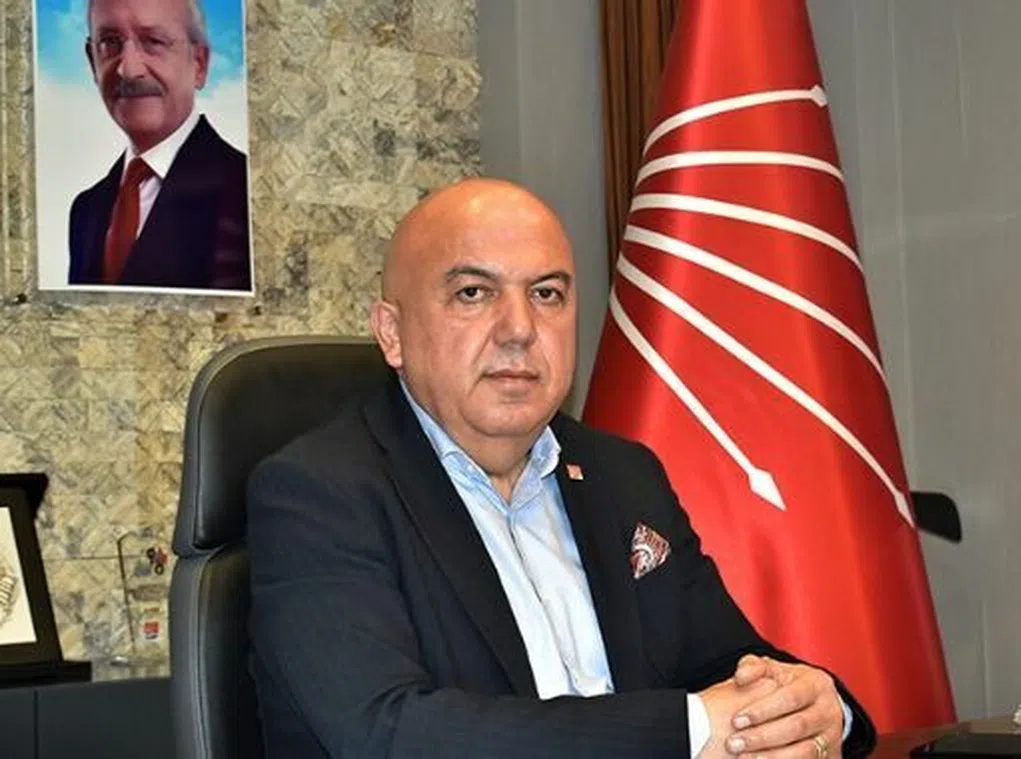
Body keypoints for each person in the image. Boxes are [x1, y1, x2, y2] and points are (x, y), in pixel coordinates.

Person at [246, 178, 876, 758]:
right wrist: (688, 731)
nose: (520, 329)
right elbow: (388, 732)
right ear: (392, 333)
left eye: (546, 294)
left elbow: (728, 665)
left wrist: (816, 707)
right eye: (473, 293)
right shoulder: (319, 494)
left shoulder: (623, 476)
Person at [67, 0, 250, 290]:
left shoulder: (247, 193)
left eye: (153, 41)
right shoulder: (85, 210)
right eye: (110, 43)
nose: (128, 70)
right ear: (92, 62)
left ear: (199, 63)